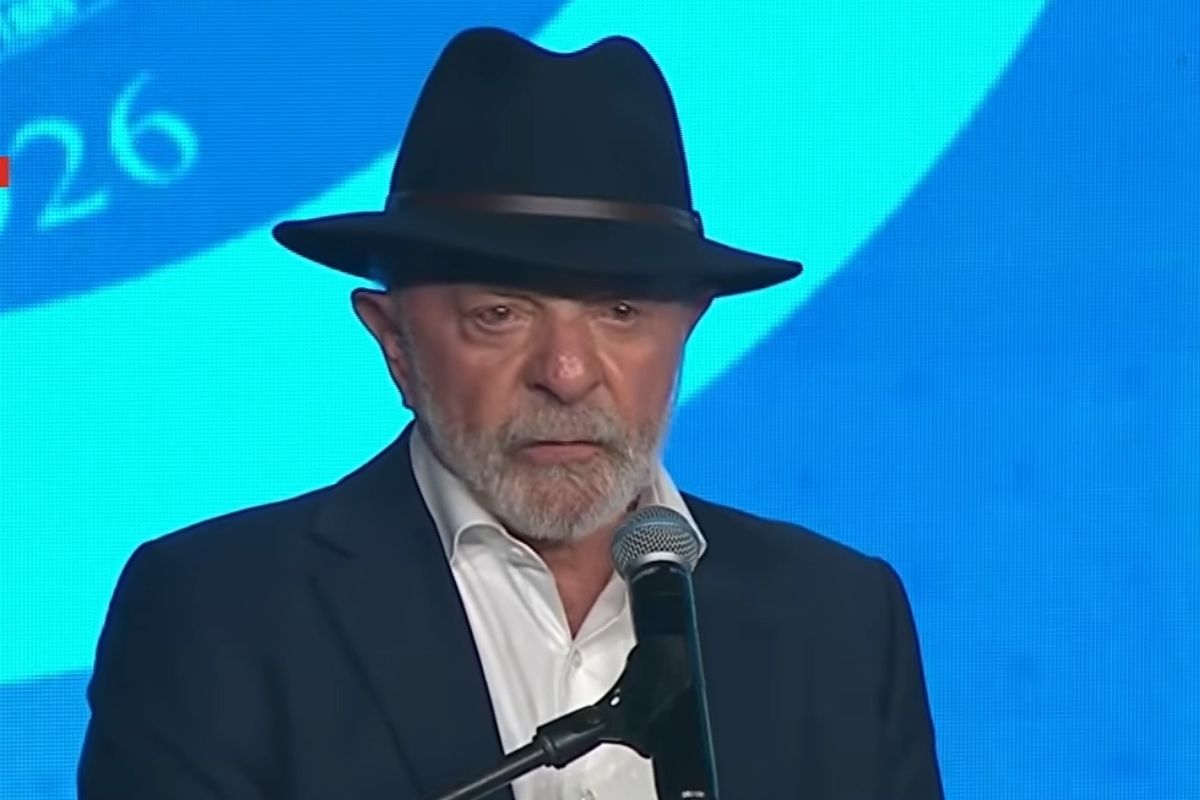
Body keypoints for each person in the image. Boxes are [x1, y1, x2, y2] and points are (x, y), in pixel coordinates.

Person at [78, 27, 943, 800]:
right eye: (500, 315)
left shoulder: (838, 619)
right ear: (396, 343)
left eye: (620, 314)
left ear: (686, 332)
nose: (566, 375)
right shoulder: (220, 614)